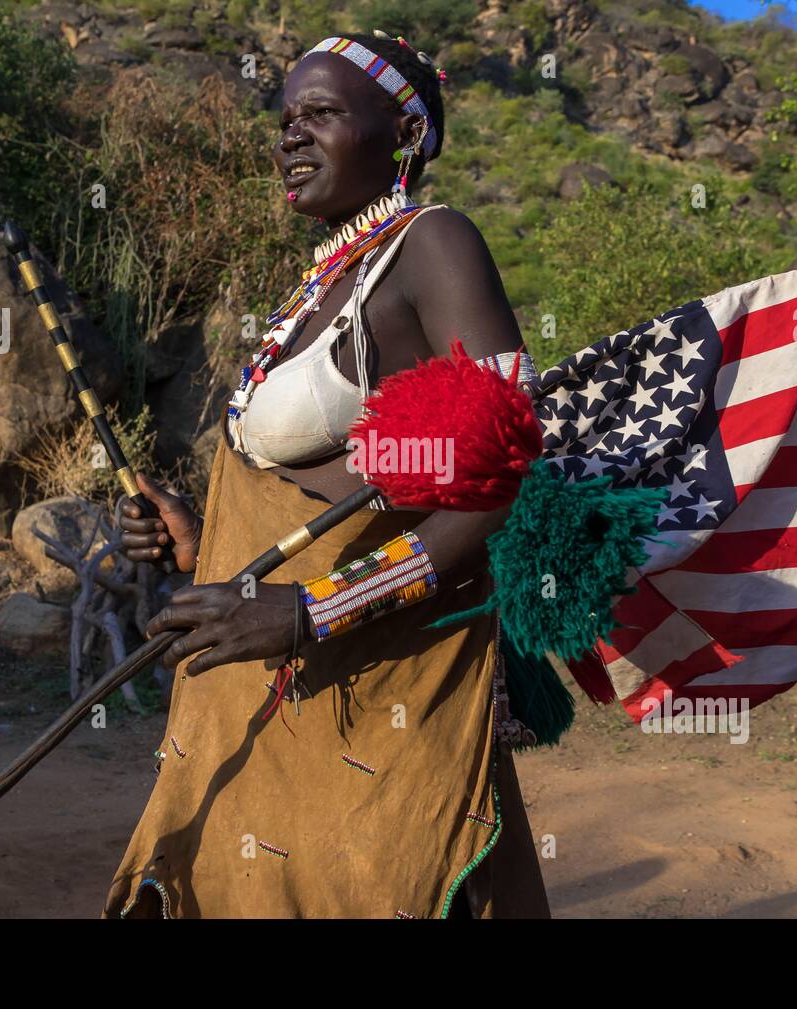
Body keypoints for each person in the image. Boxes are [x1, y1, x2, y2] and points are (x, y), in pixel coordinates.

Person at [105, 30, 549, 919]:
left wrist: (310, 609)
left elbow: (511, 477)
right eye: (284, 119)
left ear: (402, 133)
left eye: (322, 113)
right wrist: (203, 540)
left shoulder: (434, 244)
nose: (290, 136)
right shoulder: (316, 287)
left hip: (379, 698)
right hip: (271, 705)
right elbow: (334, 487)